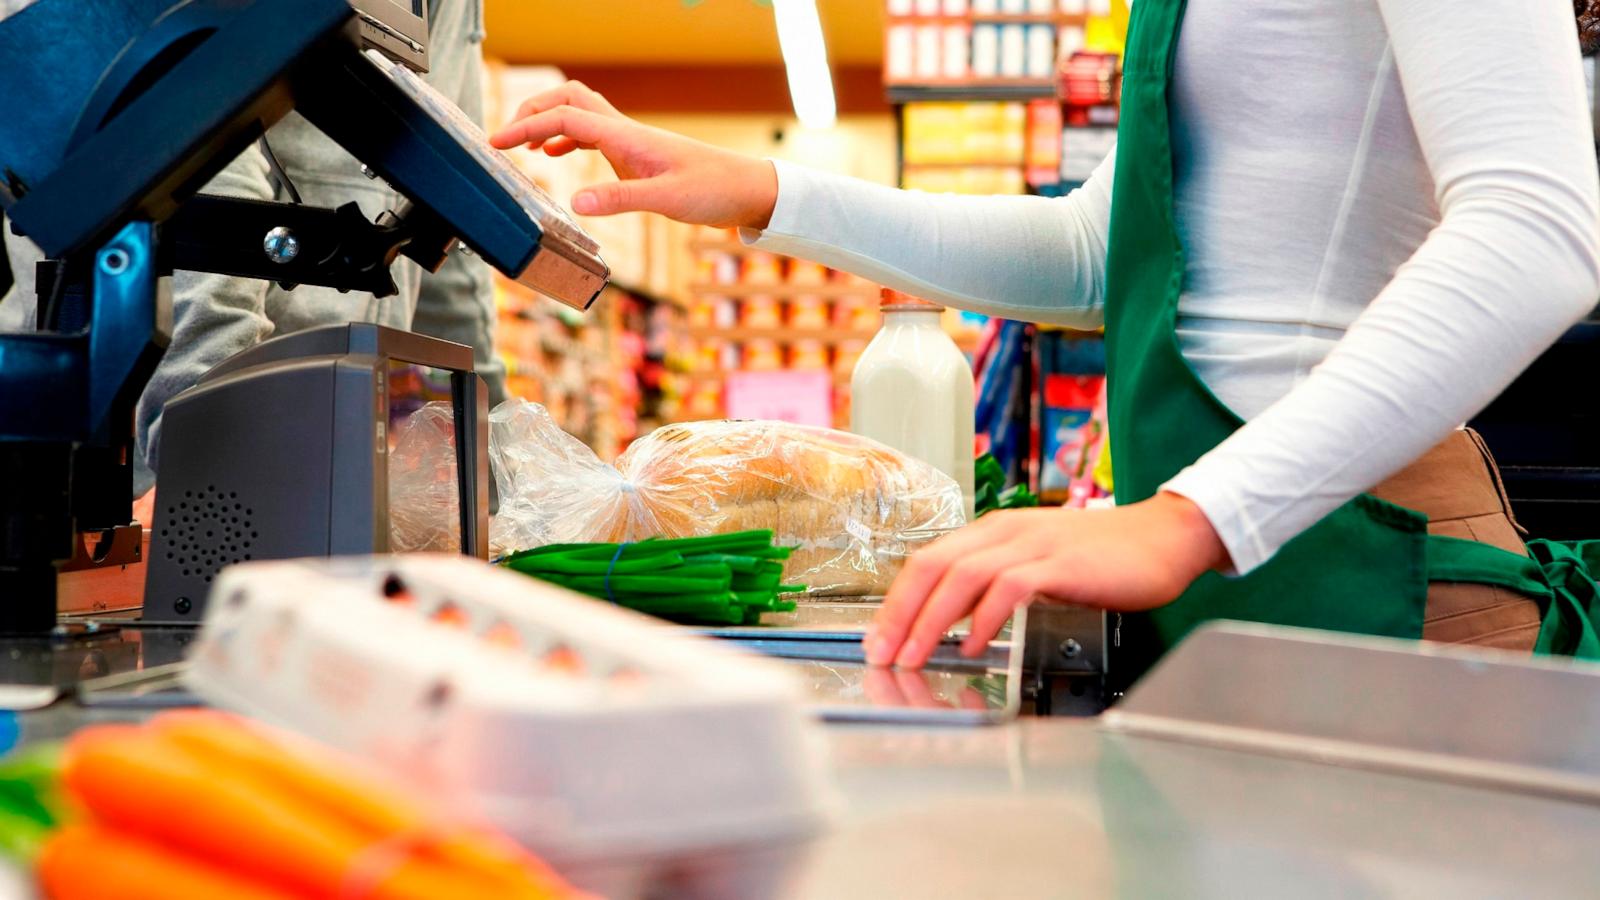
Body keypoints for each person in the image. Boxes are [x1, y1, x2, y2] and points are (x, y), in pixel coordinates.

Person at [489, 1, 1600, 673]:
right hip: (1241, 568)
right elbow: (1090, 250)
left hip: (1369, 569)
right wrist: (763, 191)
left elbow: (1540, 227)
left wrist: (1186, 520)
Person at [0, 0, 505, 500]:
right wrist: (214, 471)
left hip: (315, 473)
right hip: (160, 475)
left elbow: (450, 212)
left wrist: (488, 478)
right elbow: (183, 142)